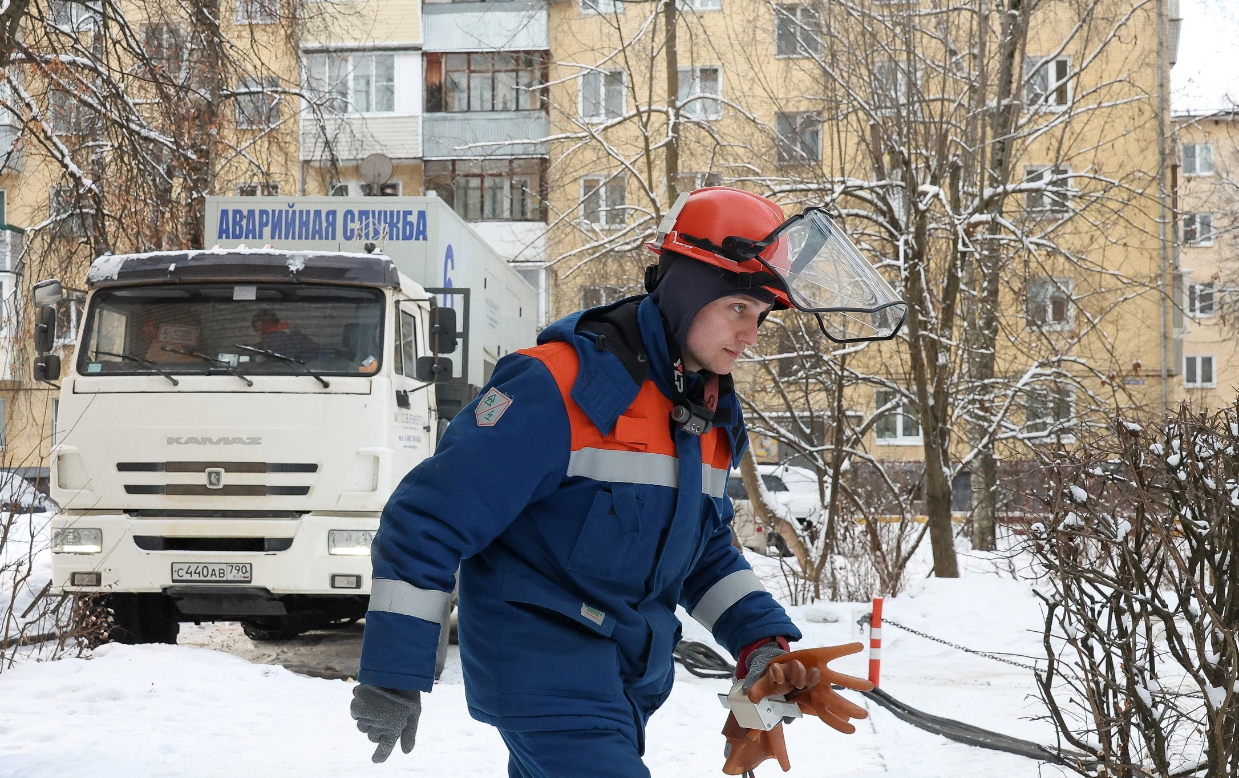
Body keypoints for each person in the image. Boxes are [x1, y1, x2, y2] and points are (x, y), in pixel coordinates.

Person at [349, 188, 906, 776]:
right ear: (689, 294)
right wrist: (393, 672)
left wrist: (759, 641)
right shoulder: (555, 387)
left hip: (623, 682)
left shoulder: (708, 414)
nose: (751, 334)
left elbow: (704, 552)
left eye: (761, 318)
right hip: (541, 676)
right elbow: (428, 519)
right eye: (738, 309)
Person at [250, 309, 320, 362]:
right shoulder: (293, 335)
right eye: (257, 329)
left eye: (263, 328)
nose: (260, 333)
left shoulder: (279, 339)